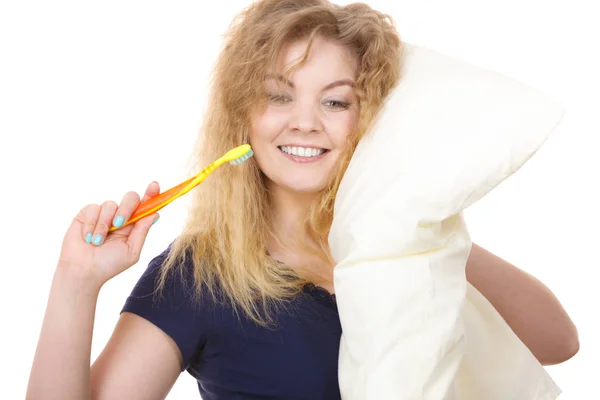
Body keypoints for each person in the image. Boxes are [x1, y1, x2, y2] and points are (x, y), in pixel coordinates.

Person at [26, 0, 579, 399]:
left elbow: (557, 341)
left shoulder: (411, 253)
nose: (306, 123)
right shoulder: (200, 274)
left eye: (336, 102)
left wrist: (424, 230)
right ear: (243, 114)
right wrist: (76, 282)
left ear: (370, 118)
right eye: (278, 96)